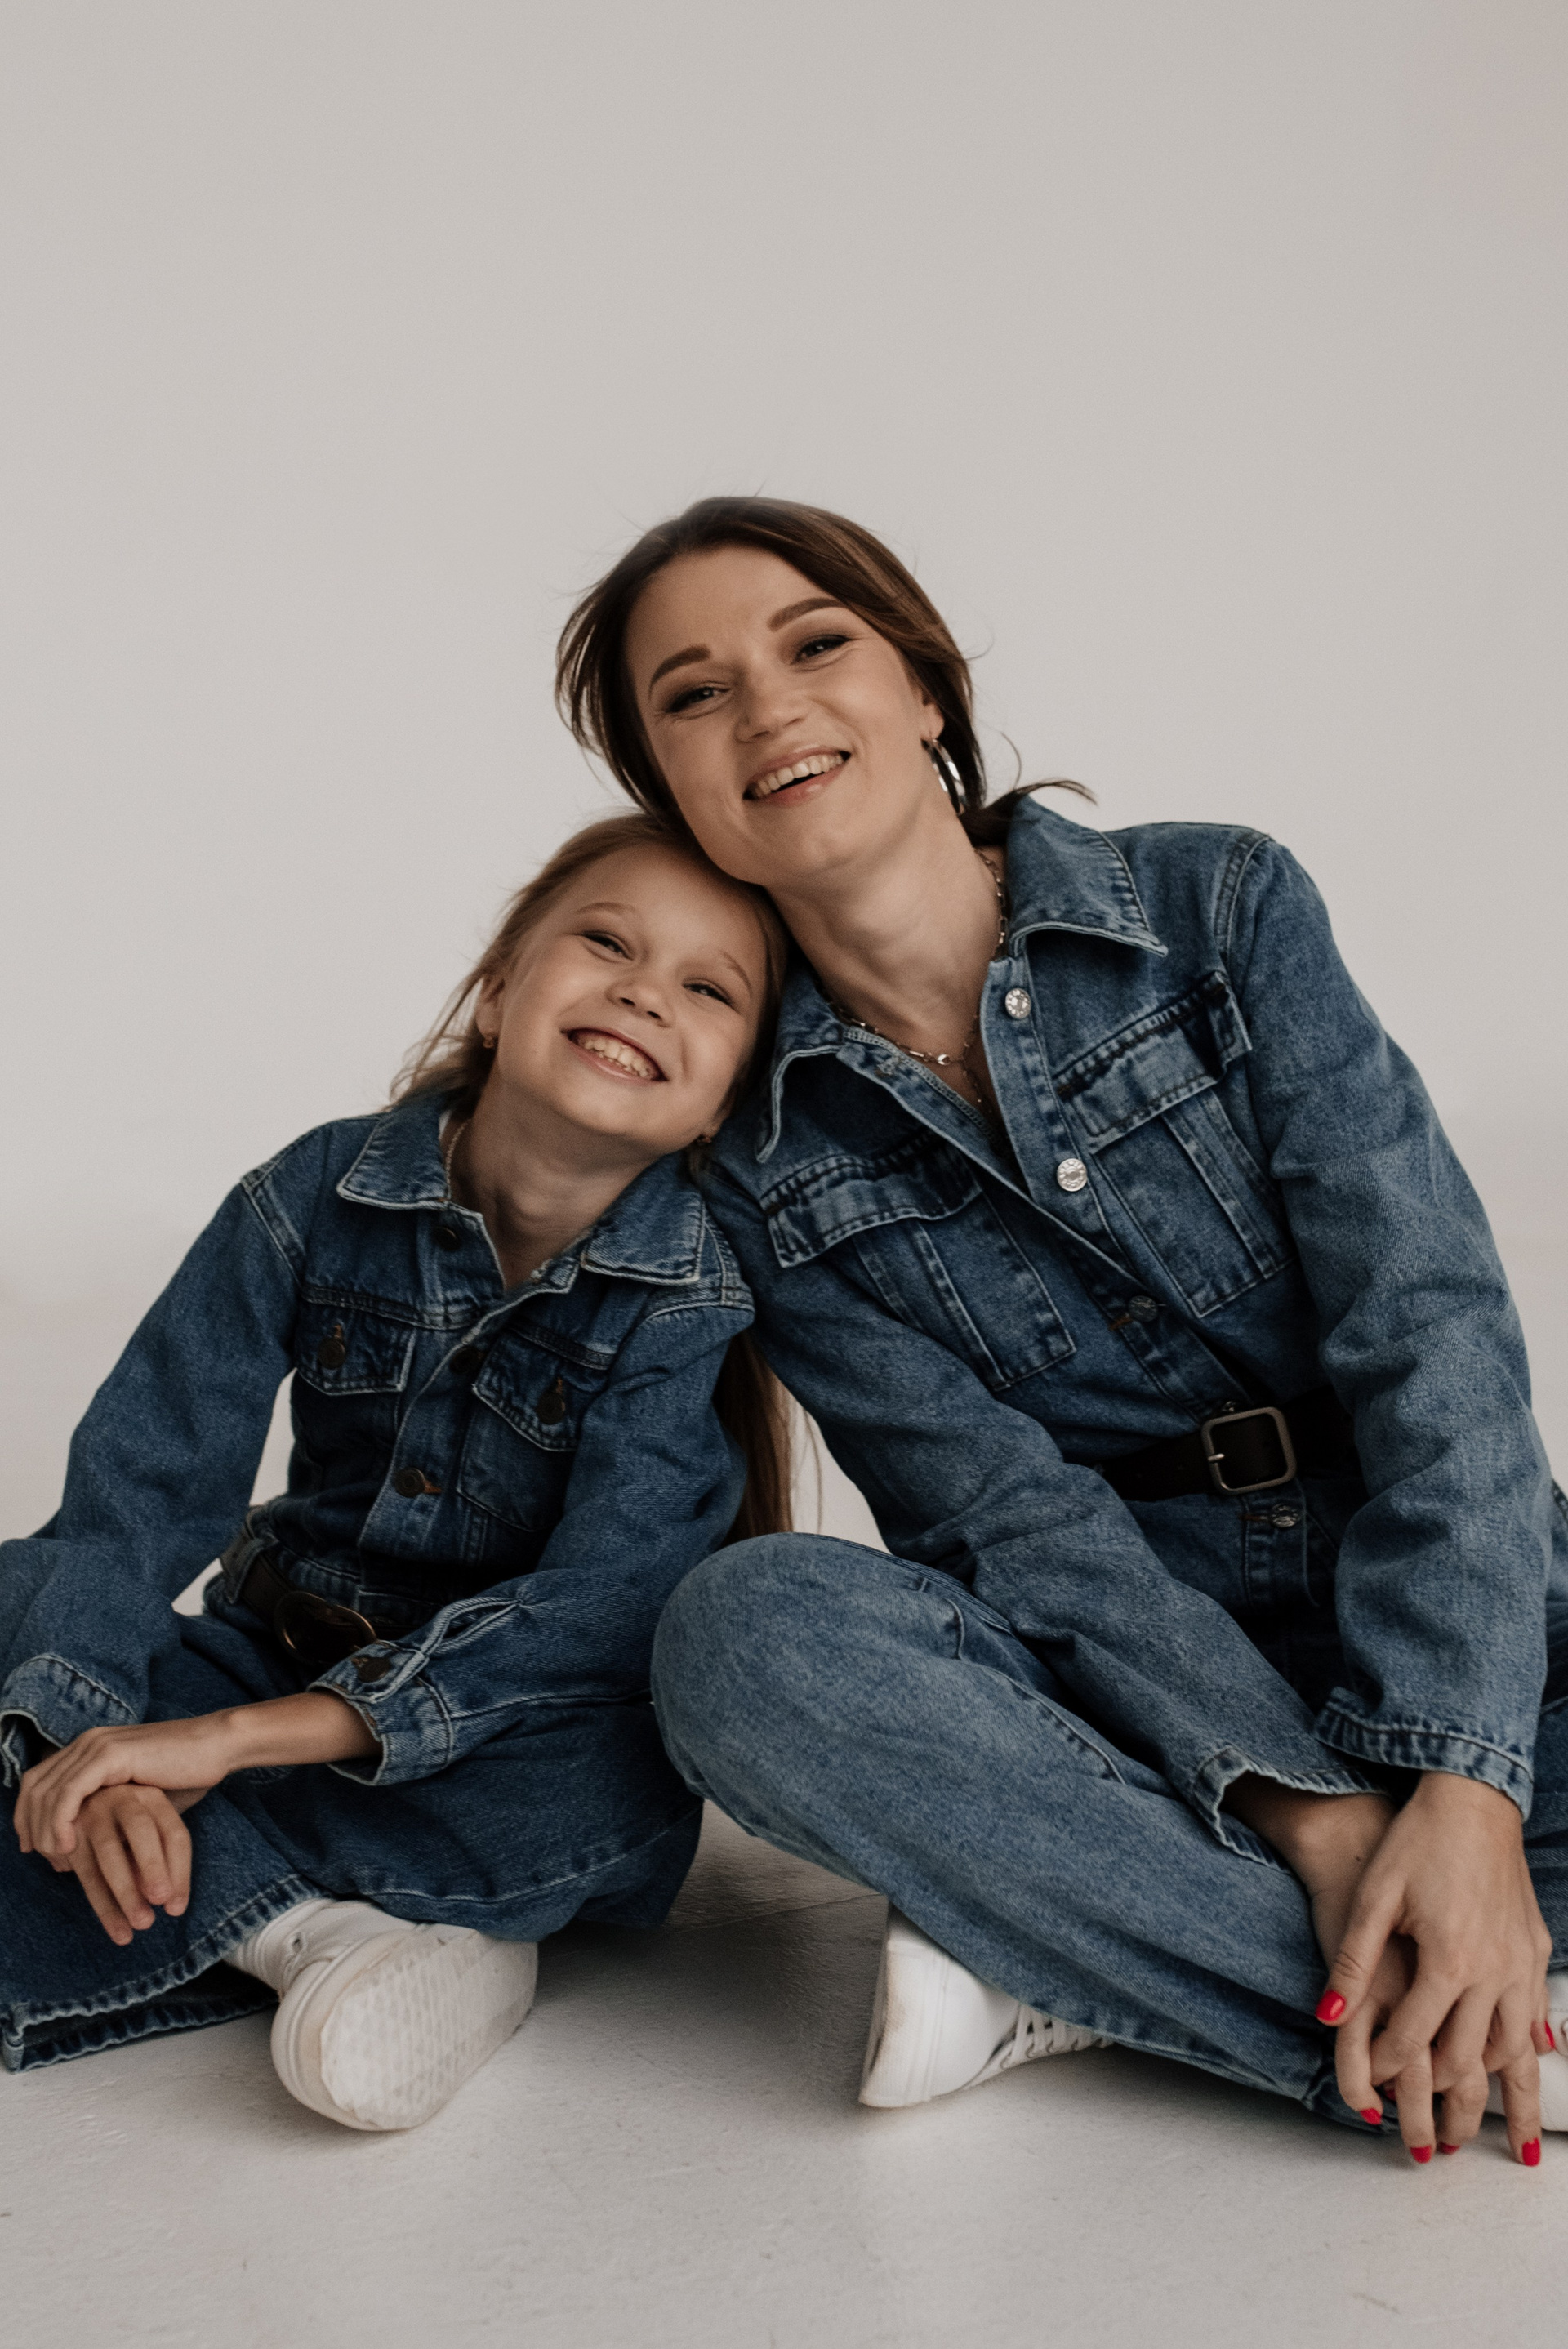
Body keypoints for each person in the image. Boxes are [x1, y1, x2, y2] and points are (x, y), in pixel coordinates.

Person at [553, 496, 1568, 2168]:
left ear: (923, 687)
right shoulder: (754, 1153)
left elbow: (1430, 1332)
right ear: (672, 788)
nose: (768, 708)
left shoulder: (1218, 905)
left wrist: (1461, 1783)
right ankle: (1472, 2024)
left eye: (816, 644)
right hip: (1124, 1703)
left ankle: (1081, 1952)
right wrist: (1319, 1823)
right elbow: (1002, 1520)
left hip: (1460, 1608)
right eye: (695, 693)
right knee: (742, 1636)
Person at [2, 811, 790, 2131]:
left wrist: (221, 1746)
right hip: (267, 1660)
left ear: (727, 1098)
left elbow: (587, 1623)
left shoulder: (686, 1303)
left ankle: (221, 1889)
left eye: (709, 990)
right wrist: (101, 1740)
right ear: (498, 989)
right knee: (31, 1616)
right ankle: (329, 1937)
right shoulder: (310, 1193)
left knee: (600, 1789)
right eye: (607, 943)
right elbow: (138, 1499)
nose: (646, 993)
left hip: (505, 1739)